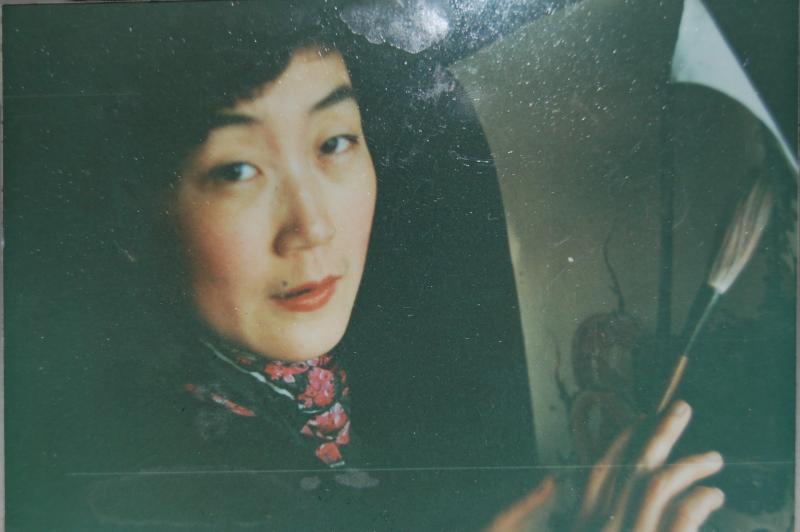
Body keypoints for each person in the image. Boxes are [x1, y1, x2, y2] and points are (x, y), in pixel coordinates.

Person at [5, 1, 725, 530]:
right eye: (236, 170)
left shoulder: (392, 359)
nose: (313, 228)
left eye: (335, 142)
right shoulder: (116, 472)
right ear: (137, 214)